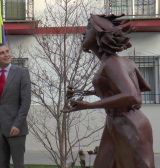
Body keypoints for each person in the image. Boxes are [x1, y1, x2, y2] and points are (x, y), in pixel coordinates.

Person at [63, 14, 155, 168]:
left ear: (101, 34)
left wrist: (88, 105)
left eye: (89, 27)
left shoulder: (111, 63)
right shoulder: (123, 62)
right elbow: (143, 87)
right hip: (116, 122)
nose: (84, 32)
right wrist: (91, 92)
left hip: (127, 124)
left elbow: (132, 96)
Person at [0, 43, 31, 168]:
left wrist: (17, 124)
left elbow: (25, 101)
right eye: (1, 53)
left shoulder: (22, 72)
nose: (7, 54)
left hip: (15, 128)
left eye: (7, 51)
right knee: (2, 164)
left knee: (18, 165)